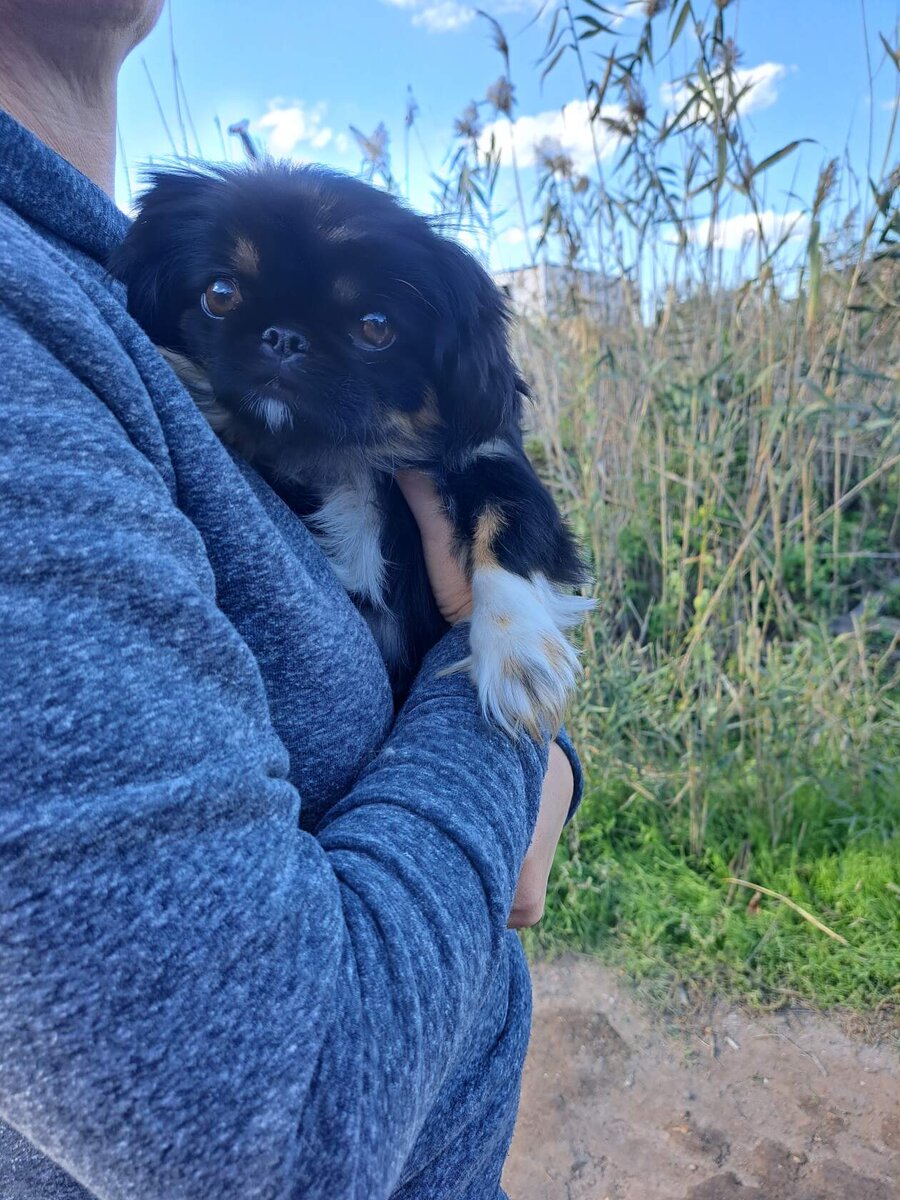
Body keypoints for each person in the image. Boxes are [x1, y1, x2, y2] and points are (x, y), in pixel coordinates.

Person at [0, 2, 581, 1197]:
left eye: (366, 325)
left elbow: (513, 541)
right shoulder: (37, 349)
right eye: (227, 305)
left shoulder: (89, 277)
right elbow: (271, 1134)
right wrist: (511, 743)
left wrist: (528, 721)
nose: (278, 346)